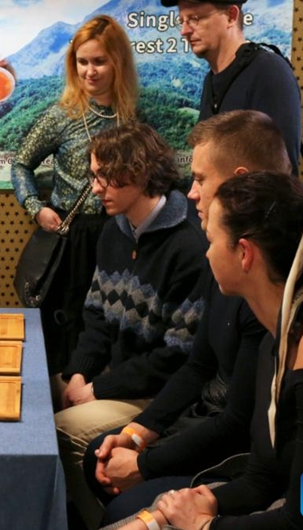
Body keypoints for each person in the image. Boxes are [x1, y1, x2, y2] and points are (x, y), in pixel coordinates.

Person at [115, 172, 303, 530]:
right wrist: (188, 507)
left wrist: (204, 526)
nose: (207, 251)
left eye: (212, 240)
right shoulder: (277, 336)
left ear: (245, 253)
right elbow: (262, 478)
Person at [83, 110, 290, 525]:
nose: (190, 193)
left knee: (127, 505)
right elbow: (199, 366)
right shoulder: (231, 268)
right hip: (244, 467)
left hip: (245, 469)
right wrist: (139, 434)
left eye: (200, 179)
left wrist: (201, 518)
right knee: (101, 458)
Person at [55, 121, 206, 529]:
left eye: (104, 177)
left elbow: (177, 357)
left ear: (138, 174)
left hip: (159, 392)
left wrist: (97, 388)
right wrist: (79, 372)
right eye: (94, 176)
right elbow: (96, 315)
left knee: (63, 428)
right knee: (37, 392)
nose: (96, 187)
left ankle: (99, 522)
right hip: (116, 375)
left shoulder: (188, 245)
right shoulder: (114, 231)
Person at [11, 15, 138, 374]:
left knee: (112, 323)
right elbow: (20, 164)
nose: (90, 71)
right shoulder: (62, 115)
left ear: (118, 62)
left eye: (99, 61)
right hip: (71, 235)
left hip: (120, 233)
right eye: (82, 62)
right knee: (65, 325)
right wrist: (36, 207)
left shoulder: (131, 115)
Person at [161, 0, 302, 173]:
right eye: (181, 21)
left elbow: (280, 177)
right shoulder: (211, 80)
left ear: (231, 16)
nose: (184, 31)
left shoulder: (269, 72)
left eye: (195, 18)